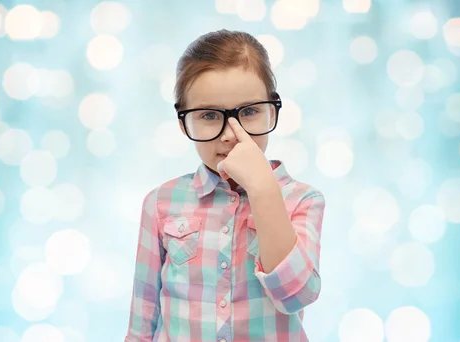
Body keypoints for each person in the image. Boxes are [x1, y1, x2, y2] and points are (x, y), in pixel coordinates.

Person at [124, 29, 326, 342]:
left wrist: (263, 190)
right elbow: (143, 318)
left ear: (272, 109)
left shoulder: (302, 200)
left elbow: (296, 296)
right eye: (208, 115)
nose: (231, 134)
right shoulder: (161, 203)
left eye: (249, 112)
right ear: (183, 122)